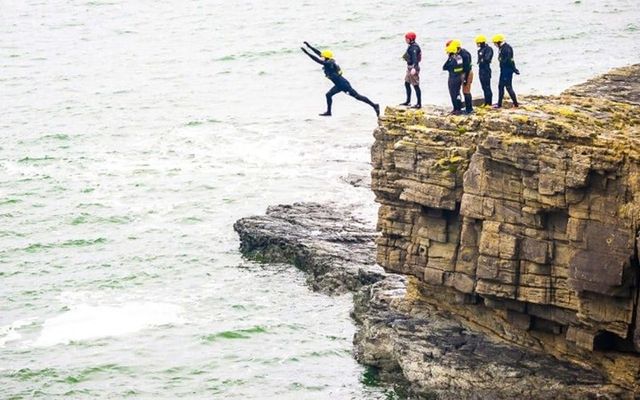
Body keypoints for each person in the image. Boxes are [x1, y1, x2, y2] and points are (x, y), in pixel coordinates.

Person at [301, 41, 380, 117]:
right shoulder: (328, 60)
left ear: (326, 57)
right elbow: (319, 53)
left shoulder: (328, 63)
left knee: (357, 96)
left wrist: (307, 53)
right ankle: (329, 112)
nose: (321, 57)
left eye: (323, 56)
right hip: (338, 85)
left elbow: (317, 60)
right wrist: (309, 46)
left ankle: (374, 105)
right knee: (328, 95)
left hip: (343, 85)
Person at [492, 34, 520, 108]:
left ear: (498, 42)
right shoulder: (502, 48)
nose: (495, 45)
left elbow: (510, 60)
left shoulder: (506, 48)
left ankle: (516, 104)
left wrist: (514, 69)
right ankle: (499, 104)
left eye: (495, 43)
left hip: (507, 70)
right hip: (504, 70)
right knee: (500, 86)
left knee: (508, 87)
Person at [446, 39, 473, 114]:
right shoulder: (455, 54)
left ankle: (469, 109)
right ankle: (459, 107)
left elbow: (467, 67)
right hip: (459, 74)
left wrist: (465, 79)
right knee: (456, 91)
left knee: (466, 91)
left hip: (467, 73)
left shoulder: (464, 54)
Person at [400, 32, 422, 109]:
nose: (405, 40)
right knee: (406, 83)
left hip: (413, 68)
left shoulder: (414, 48)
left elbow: (415, 59)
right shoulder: (411, 46)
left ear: (410, 39)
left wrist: (414, 68)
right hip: (409, 68)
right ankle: (408, 101)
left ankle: (419, 104)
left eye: (406, 39)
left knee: (416, 86)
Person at [442, 42, 464, 114]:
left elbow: (445, 67)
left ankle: (456, 109)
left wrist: (448, 59)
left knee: (453, 94)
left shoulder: (451, 59)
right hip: (459, 77)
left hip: (453, 78)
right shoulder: (459, 57)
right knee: (458, 93)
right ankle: (459, 107)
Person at [475, 35, 493, 106]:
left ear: (481, 42)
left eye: (478, 43)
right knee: (483, 87)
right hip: (481, 70)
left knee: (487, 87)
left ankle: (489, 103)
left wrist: (482, 60)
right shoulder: (480, 50)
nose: (477, 44)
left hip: (486, 70)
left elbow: (487, 59)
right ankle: (486, 102)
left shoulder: (488, 49)